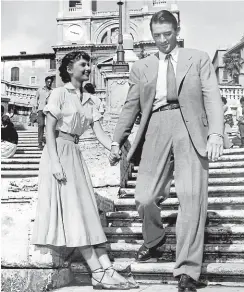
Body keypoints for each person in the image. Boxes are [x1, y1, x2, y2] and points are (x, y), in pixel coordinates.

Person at [109, 10, 224, 292]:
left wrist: (216, 134)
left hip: (191, 129)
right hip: (156, 126)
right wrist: (116, 140)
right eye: (157, 35)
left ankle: (187, 270)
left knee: (192, 198)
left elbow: (212, 96)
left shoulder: (197, 58)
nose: (162, 41)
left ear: (177, 30)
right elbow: (130, 107)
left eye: (167, 34)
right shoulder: (142, 67)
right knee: (144, 196)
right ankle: (155, 241)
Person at [31, 51, 134, 290]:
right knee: (75, 212)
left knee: (87, 211)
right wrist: (55, 162)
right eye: (83, 64)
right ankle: (96, 271)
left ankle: (107, 269)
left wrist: (114, 147)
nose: (88, 68)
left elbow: (99, 132)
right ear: (69, 68)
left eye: (89, 65)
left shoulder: (90, 99)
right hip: (58, 152)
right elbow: (48, 128)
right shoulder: (58, 93)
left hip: (75, 154)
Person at [36, 76, 53, 149]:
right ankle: (40, 142)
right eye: (48, 82)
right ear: (45, 82)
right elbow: (35, 99)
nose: (49, 83)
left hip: (49, 110)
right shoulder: (40, 90)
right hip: (41, 109)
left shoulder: (52, 91)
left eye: (50, 82)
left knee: (49, 126)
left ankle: (49, 141)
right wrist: (35, 109)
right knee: (41, 125)